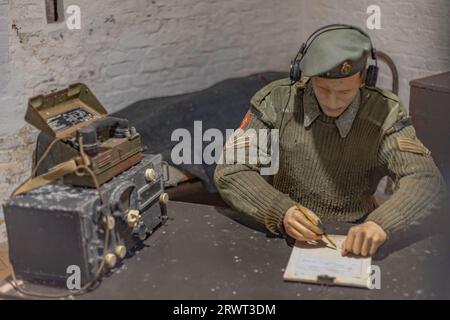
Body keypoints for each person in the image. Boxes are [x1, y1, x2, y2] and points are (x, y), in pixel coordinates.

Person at [214, 25, 448, 257]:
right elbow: (232, 169)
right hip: (286, 231)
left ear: (363, 79)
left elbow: (425, 179)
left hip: (355, 236)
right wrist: (279, 210)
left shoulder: (384, 112)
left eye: (345, 92)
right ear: (305, 77)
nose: (333, 102)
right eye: (323, 89)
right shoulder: (277, 101)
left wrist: (382, 223)